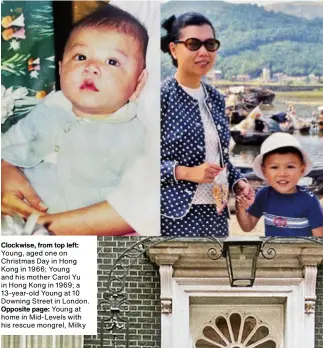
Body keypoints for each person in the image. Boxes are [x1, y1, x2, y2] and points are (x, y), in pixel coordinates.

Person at [1, 4, 150, 235]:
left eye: (112, 62)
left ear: (139, 83)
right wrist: (6, 169)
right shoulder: (50, 108)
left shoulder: (137, 137)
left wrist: (43, 225)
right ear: (60, 69)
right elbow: (7, 149)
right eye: (81, 57)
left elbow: (137, 207)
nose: (91, 67)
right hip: (15, 225)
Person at [160, 12, 254, 237]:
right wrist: (186, 172)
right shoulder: (160, 97)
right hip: (173, 215)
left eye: (210, 44)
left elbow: (219, 158)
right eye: (193, 44)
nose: (203, 52)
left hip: (216, 212)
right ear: (174, 49)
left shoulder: (216, 98)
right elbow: (137, 164)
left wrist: (238, 181)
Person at [236, 133, 323, 237]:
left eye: (290, 166)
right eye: (274, 167)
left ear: (302, 169)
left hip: (303, 252)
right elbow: (247, 226)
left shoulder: (309, 201)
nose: (282, 173)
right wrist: (241, 207)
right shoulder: (264, 195)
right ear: (263, 170)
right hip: (272, 253)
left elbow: (320, 240)